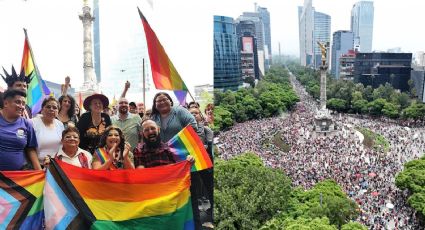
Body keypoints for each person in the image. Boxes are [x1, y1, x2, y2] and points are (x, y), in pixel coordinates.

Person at [0, 90, 41, 170]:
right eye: (18, 102)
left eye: (23, 104)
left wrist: (39, 172)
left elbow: (31, 149)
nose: (21, 106)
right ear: (6, 103)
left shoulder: (27, 124)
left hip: (18, 177)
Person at [31, 97, 64, 164]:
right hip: (37, 165)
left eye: (55, 108)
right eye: (48, 107)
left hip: (56, 165)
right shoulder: (32, 123)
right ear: (42, 109)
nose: (51, 109)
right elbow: (30, 149)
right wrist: (39, 169)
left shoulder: (60, 124)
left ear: (58, 111)